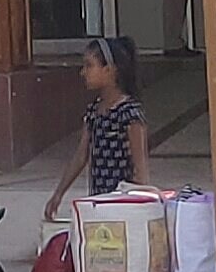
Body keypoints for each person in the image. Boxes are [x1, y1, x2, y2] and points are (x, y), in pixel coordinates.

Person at [49, 35, 149, 215]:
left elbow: (140, 168)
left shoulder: (129, 114)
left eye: (89, 65)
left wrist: (140, 206)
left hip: (123, 206)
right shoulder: (94, 111)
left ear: (109, 70)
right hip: (98, 203)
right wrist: (58, 194)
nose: (83, 72)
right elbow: (81, 156)